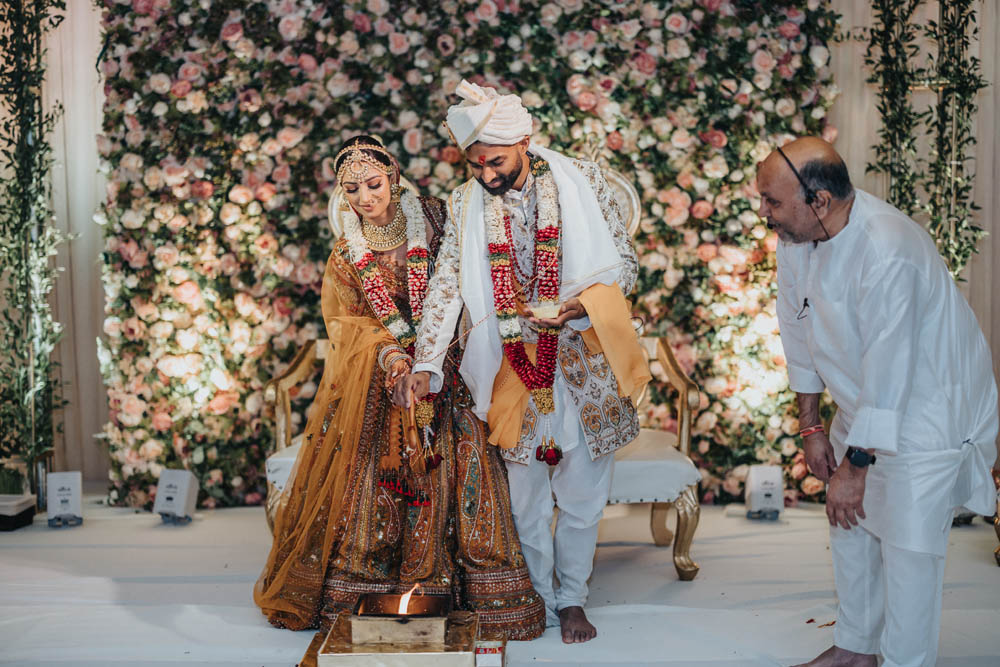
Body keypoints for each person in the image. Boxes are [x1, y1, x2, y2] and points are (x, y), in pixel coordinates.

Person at [254, 135, 545, 642]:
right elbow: (350, 324)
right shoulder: (347, 253)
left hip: (447, 363)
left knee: (465, 456)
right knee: (378, 471)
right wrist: (393, 359)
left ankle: (478, 592)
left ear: (392, 177)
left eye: (374, 183)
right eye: (353, 189)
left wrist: (433, 357)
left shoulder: (434, 219)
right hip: (382, 378)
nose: (366, 197)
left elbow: (461, 281)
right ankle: (372, 590)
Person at [393, 81, 650, 644]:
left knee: (582, 494)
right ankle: (536, 595)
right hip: (512, 362)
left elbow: (626, 267)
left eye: (497, 162)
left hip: (584, 357)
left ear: (527, 141)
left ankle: (574, 598)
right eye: (476, 164)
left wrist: (577, 307)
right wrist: (427, 361)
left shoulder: (585, 180)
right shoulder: (465, 203)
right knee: (526, 495)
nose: (487, 175)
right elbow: (447, 284)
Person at [760, 137, 999, 667]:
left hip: (931, 410)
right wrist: (812, 426)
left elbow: (893, 368)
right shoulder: (797, 235)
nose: (764, 213)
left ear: (819, 200)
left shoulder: (889, 248)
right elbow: (796, 329)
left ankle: (903, 661)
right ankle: (855, 649)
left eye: (772, 201)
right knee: (849, 525)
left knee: (910, 549)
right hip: (861, 400)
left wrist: (857, 464)